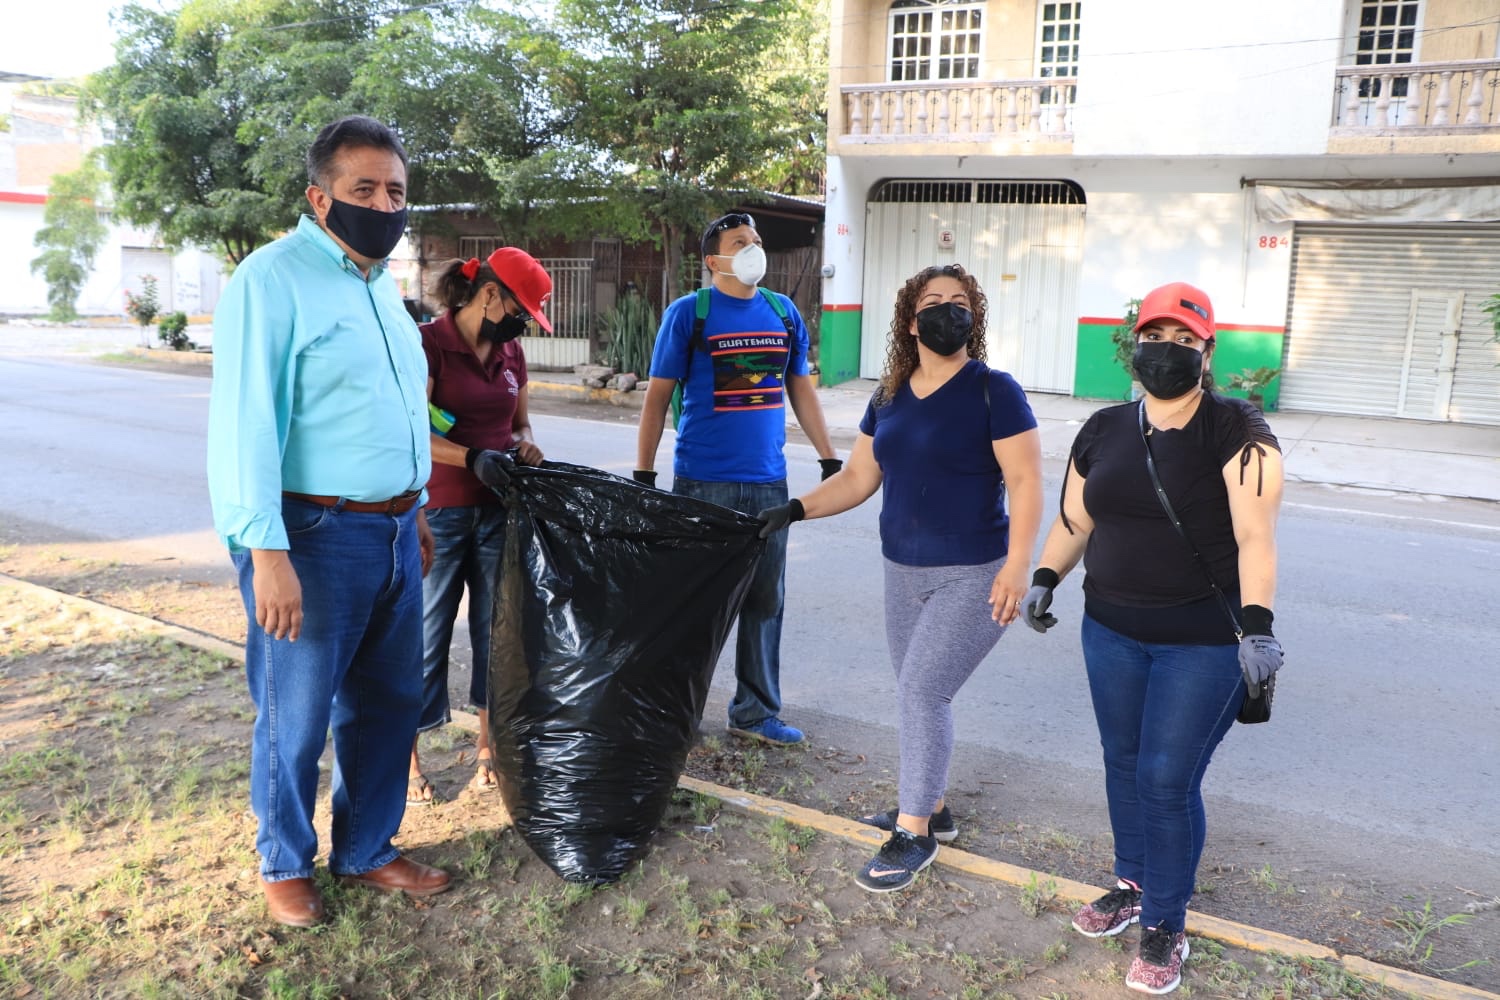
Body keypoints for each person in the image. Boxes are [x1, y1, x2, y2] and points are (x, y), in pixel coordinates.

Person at [207, 115, 451, 929]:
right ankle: (284, 859)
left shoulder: (382, 288)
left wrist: (412, 509)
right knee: (295, 712)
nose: (384, 204)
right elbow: (247, 424)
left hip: (392, 533)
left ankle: (367, 848)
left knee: (386, 702)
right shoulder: (270, 281)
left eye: (396, 191)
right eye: (364, 189)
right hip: (308, 536)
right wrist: (264, 549)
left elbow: (393, 414)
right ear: (320, 197)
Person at [1020, 281, 1285, 994]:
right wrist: (1046, 573)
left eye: (1183, 340)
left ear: (1208, 351)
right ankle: (1133, 882)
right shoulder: (1103, 428)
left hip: (1201, 641)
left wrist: (1258, 629)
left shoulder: (1238, 433)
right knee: (1122, 761)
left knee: (1167, 781)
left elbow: (1256, 538)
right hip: (1109, 630)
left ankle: (1166, 922)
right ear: (1132, 344)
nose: (1166, 351)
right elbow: (1077, 519)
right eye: (1154, 337)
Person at [758, 263, 1044, 892]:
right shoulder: (888, 394)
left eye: (960, 301)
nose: (947, 310)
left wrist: (1020, 566)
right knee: (916, 691)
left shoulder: (995, 390)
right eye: (933, 301)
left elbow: (1025, 483)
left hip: (974, 570)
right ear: (910, 321)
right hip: (901, 571)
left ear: (975, 316)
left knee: (922, 692)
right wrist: (792, 510)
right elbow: (860, 477)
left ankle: (913, 831)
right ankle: (933, 808)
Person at [634, 212, 840, 746]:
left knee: (765, 601)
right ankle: (675, 710)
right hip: (704, 483)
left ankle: (754, 712)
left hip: (769, 484)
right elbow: (656, 400)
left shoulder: (783, 311)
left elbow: (801, 390)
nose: (753, 249)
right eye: (739, 242)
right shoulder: (689, 314)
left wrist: (827, 457)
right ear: (713, 259)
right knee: (696, 603)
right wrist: (643, 472)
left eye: (756, 241)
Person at [408, 248, 552, 803]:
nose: (522, 324)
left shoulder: (511, 350)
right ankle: (407, 761)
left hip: (499, 513)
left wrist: (523, 446)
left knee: (498, 634)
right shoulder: (427, 344)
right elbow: (411, 433)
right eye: (521, 309)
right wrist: (471, 459)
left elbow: (518, 423)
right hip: (437, 515)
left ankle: (489, 747)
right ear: (490, 294)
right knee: (424, 639)